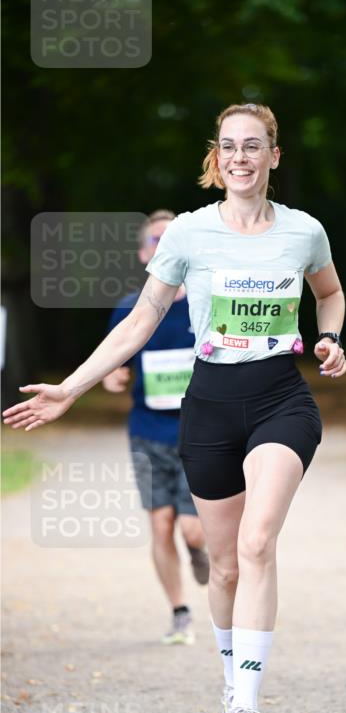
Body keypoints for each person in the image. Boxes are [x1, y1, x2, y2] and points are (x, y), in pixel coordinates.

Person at [3, 102, 346, 713]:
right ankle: (229, 684)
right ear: (216, 160)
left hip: (281, 398)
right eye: (228, 147)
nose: (240, 157)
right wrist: (70, 388)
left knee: (256, 542)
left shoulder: (304, 232)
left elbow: (328, 293)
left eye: (253, 146)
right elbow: (137, 321)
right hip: (209, 405)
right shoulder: (188, 234)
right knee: (220, 565)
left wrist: (329, 337)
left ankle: (244, 712)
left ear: (274, 156)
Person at [103, 208, 210, 647]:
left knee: (191, 528)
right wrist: (113, 377)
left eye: (168, 240)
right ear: (143, 253)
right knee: (161, 523)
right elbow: (113, 362)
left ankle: (199, 550)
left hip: (199, 431)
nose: (160, 247)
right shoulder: (131, 307)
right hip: (147, 432)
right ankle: (180, 611)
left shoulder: (205, 301)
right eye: (153, 241)